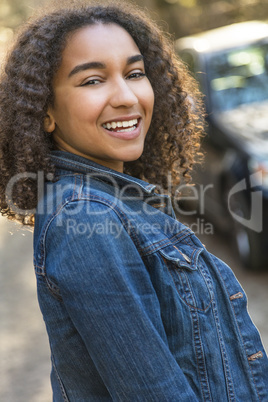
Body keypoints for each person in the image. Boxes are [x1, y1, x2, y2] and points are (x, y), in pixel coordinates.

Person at [0, 1, 267, 401]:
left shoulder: (116, 201)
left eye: (135, 73)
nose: (127, 96)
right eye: (92, 80)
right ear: (46, 112)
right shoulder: (87, 217)